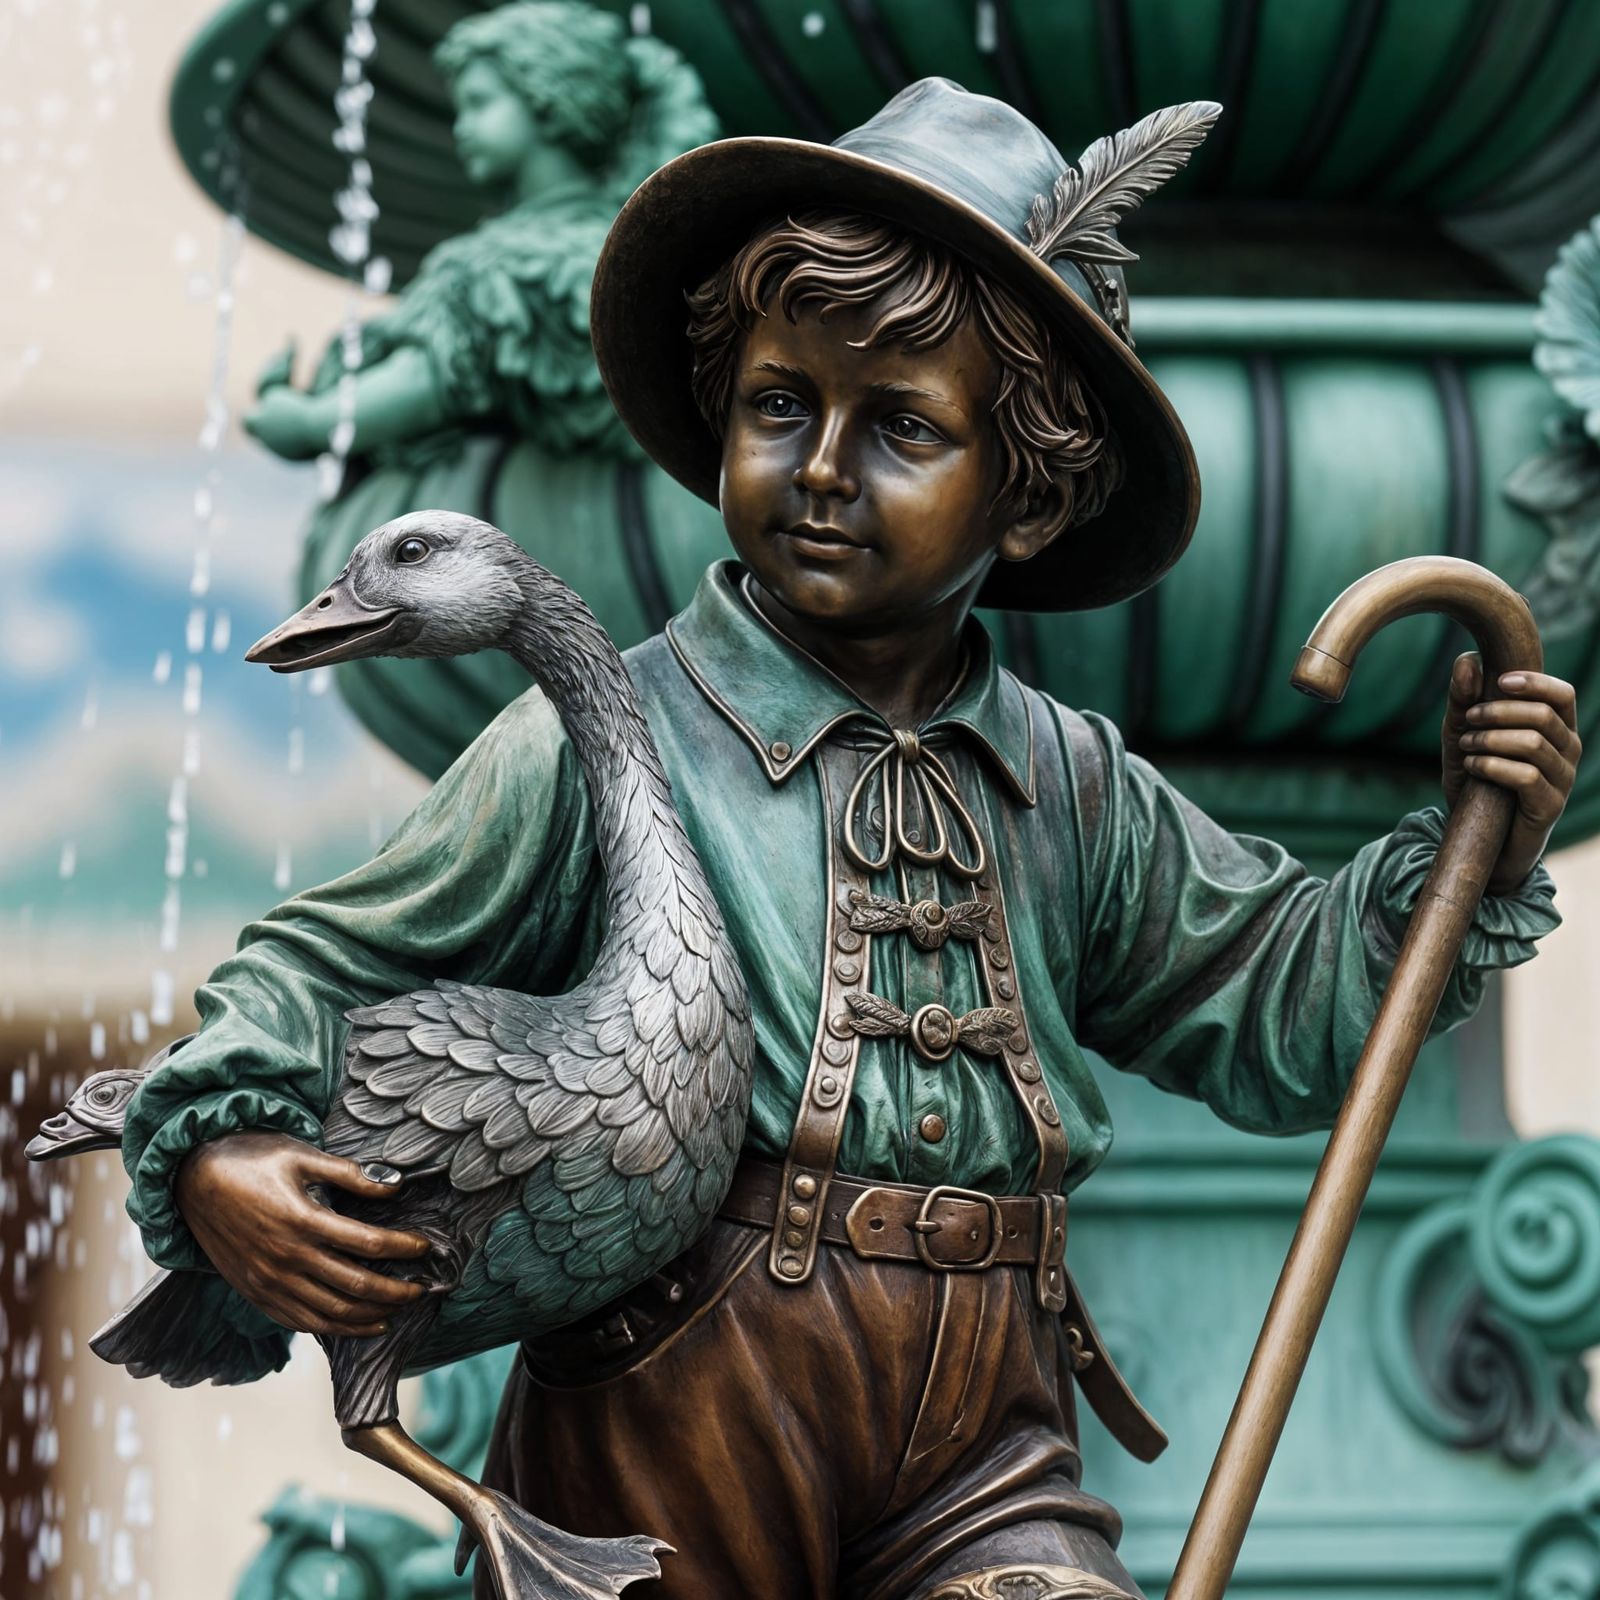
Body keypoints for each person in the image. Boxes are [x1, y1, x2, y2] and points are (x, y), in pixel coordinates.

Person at [124, 82, 1579, 1600]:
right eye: (778, 405)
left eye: (899, 426)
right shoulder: (596, 736)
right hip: (677, 1390)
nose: (820, 466)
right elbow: (322, 959)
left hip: (987, 1412)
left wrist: (1465, 846)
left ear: (1027, 493)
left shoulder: (1069, 781)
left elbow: (1282, 1006)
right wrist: (224, 1145)